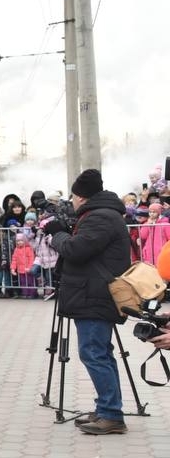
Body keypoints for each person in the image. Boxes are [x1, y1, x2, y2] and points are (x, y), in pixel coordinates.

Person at [42, 169, 131, 435]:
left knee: (93, 353)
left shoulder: (100, 217)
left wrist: (57, 234)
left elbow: (76, 250)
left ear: (81, 196)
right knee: (100, 352)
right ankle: (107, 407)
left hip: (94, 293)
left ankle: (111, 414)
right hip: (93, 291)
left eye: (73, 195)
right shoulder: (103, 214)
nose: (72, 201)